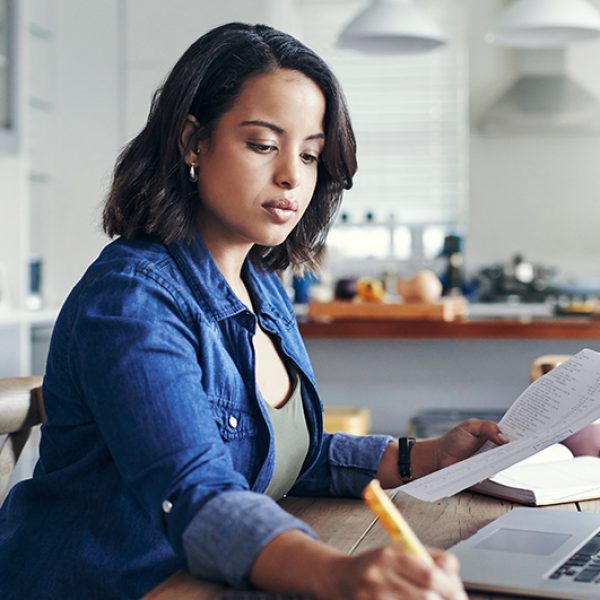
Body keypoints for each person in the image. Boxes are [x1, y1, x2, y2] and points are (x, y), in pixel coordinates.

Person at [0, 22, 507, 599]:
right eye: (263, 144)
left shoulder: (261, 286)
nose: (292, 175)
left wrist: (426, 457)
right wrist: (339, 574)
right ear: (194, 142)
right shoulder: (132, 302)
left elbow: (287, 456)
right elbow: (199, 493)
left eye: (311, 155)